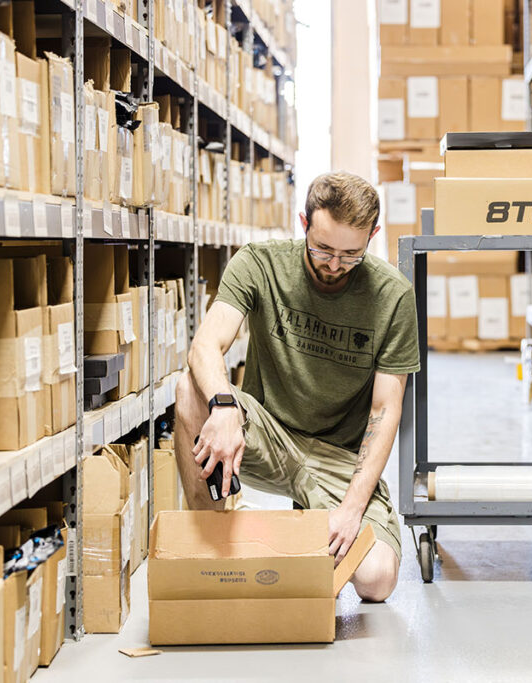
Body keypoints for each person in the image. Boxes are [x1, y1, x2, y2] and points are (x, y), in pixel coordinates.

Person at [174, 171, 420, 602]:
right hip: (265, 436)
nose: (333, 264)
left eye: (351, 254)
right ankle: (210, 544)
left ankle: (317, 520)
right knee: (188, 390)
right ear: (303, 224)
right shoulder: (259, 263)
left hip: (336, 458)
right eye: (323, 247)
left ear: (373, 236)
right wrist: (226, 405)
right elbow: (205, 345)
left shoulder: (392, 296)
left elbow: (385, 411)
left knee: (377, 580)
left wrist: (350, 511)